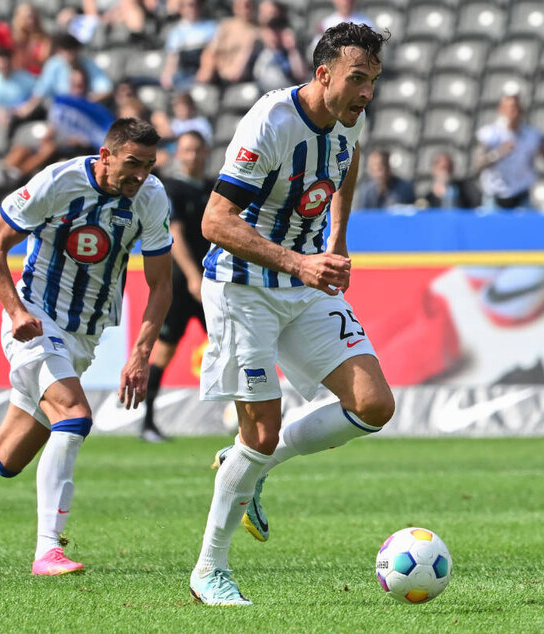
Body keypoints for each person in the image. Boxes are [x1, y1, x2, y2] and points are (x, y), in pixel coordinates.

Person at [189, 22, 394, 606]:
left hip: (303, 281)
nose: (366, 93)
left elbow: (347, 166)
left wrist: (337, 239)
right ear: (322, 73)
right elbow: (215, 222)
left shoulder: (350, 121)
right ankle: (210, 570)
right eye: (358, 79)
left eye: (374, 81)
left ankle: (250, 464)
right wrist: (300, 263)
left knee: (374, 404)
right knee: (261, 428)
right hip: (244, 287)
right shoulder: (272, 121)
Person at [0, 118, 173, 575]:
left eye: (148, 166)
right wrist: (15, 312)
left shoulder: (151, 196)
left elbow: (161, 285)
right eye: (131, 164)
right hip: (34, 321)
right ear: (105, 156)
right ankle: (48, 550)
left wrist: (141, 352)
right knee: (74, 416)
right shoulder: (57, 181)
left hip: (84, 336)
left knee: (4, 458)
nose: (140, 176)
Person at [141, 130, 212, 442]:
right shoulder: (173, 189)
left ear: (206, 152)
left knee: (232, 348)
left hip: (214, 282)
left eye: (197, 150)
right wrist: (193, 276)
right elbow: (175, 235)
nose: (192, 156)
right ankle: (147, 422)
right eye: (187, 150)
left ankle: (244, 421)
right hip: (184, 284)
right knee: (165, 350)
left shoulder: (214, 188)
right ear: (179, 154)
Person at [474, 94, 544, 210]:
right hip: (495, 195)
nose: (513, 112)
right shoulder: (489, 134)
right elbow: (478, 165)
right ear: (501, 110)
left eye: (516, 108)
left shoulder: (532, 135)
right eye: (509, 108)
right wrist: (498, 153)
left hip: (521, 193)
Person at [195, 0, 260, 86]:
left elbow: (246, 56)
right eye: (240, 6)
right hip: (218, 77)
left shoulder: (258, 31)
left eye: (247, 6)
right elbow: (211, 51)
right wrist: (206, 71)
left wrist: (236, 72)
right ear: (235, 8)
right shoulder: (226, 26)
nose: (244, 10)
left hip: (242, 79)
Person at [160, 0, 217, 91]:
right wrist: (167, 75)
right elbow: (172, 58)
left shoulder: (212, 27)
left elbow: (212, 53)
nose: (192, 9)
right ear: (181, 9)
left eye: (195, 5)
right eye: (189, 6)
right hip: (184, 72)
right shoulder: (176, 32)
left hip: (204, 70)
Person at [0, 47, 37, 126]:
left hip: (22, 118)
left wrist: (28, 106)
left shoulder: (25, 77)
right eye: (0, 62)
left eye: (5, 61)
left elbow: (39, 93)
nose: (3, 65)